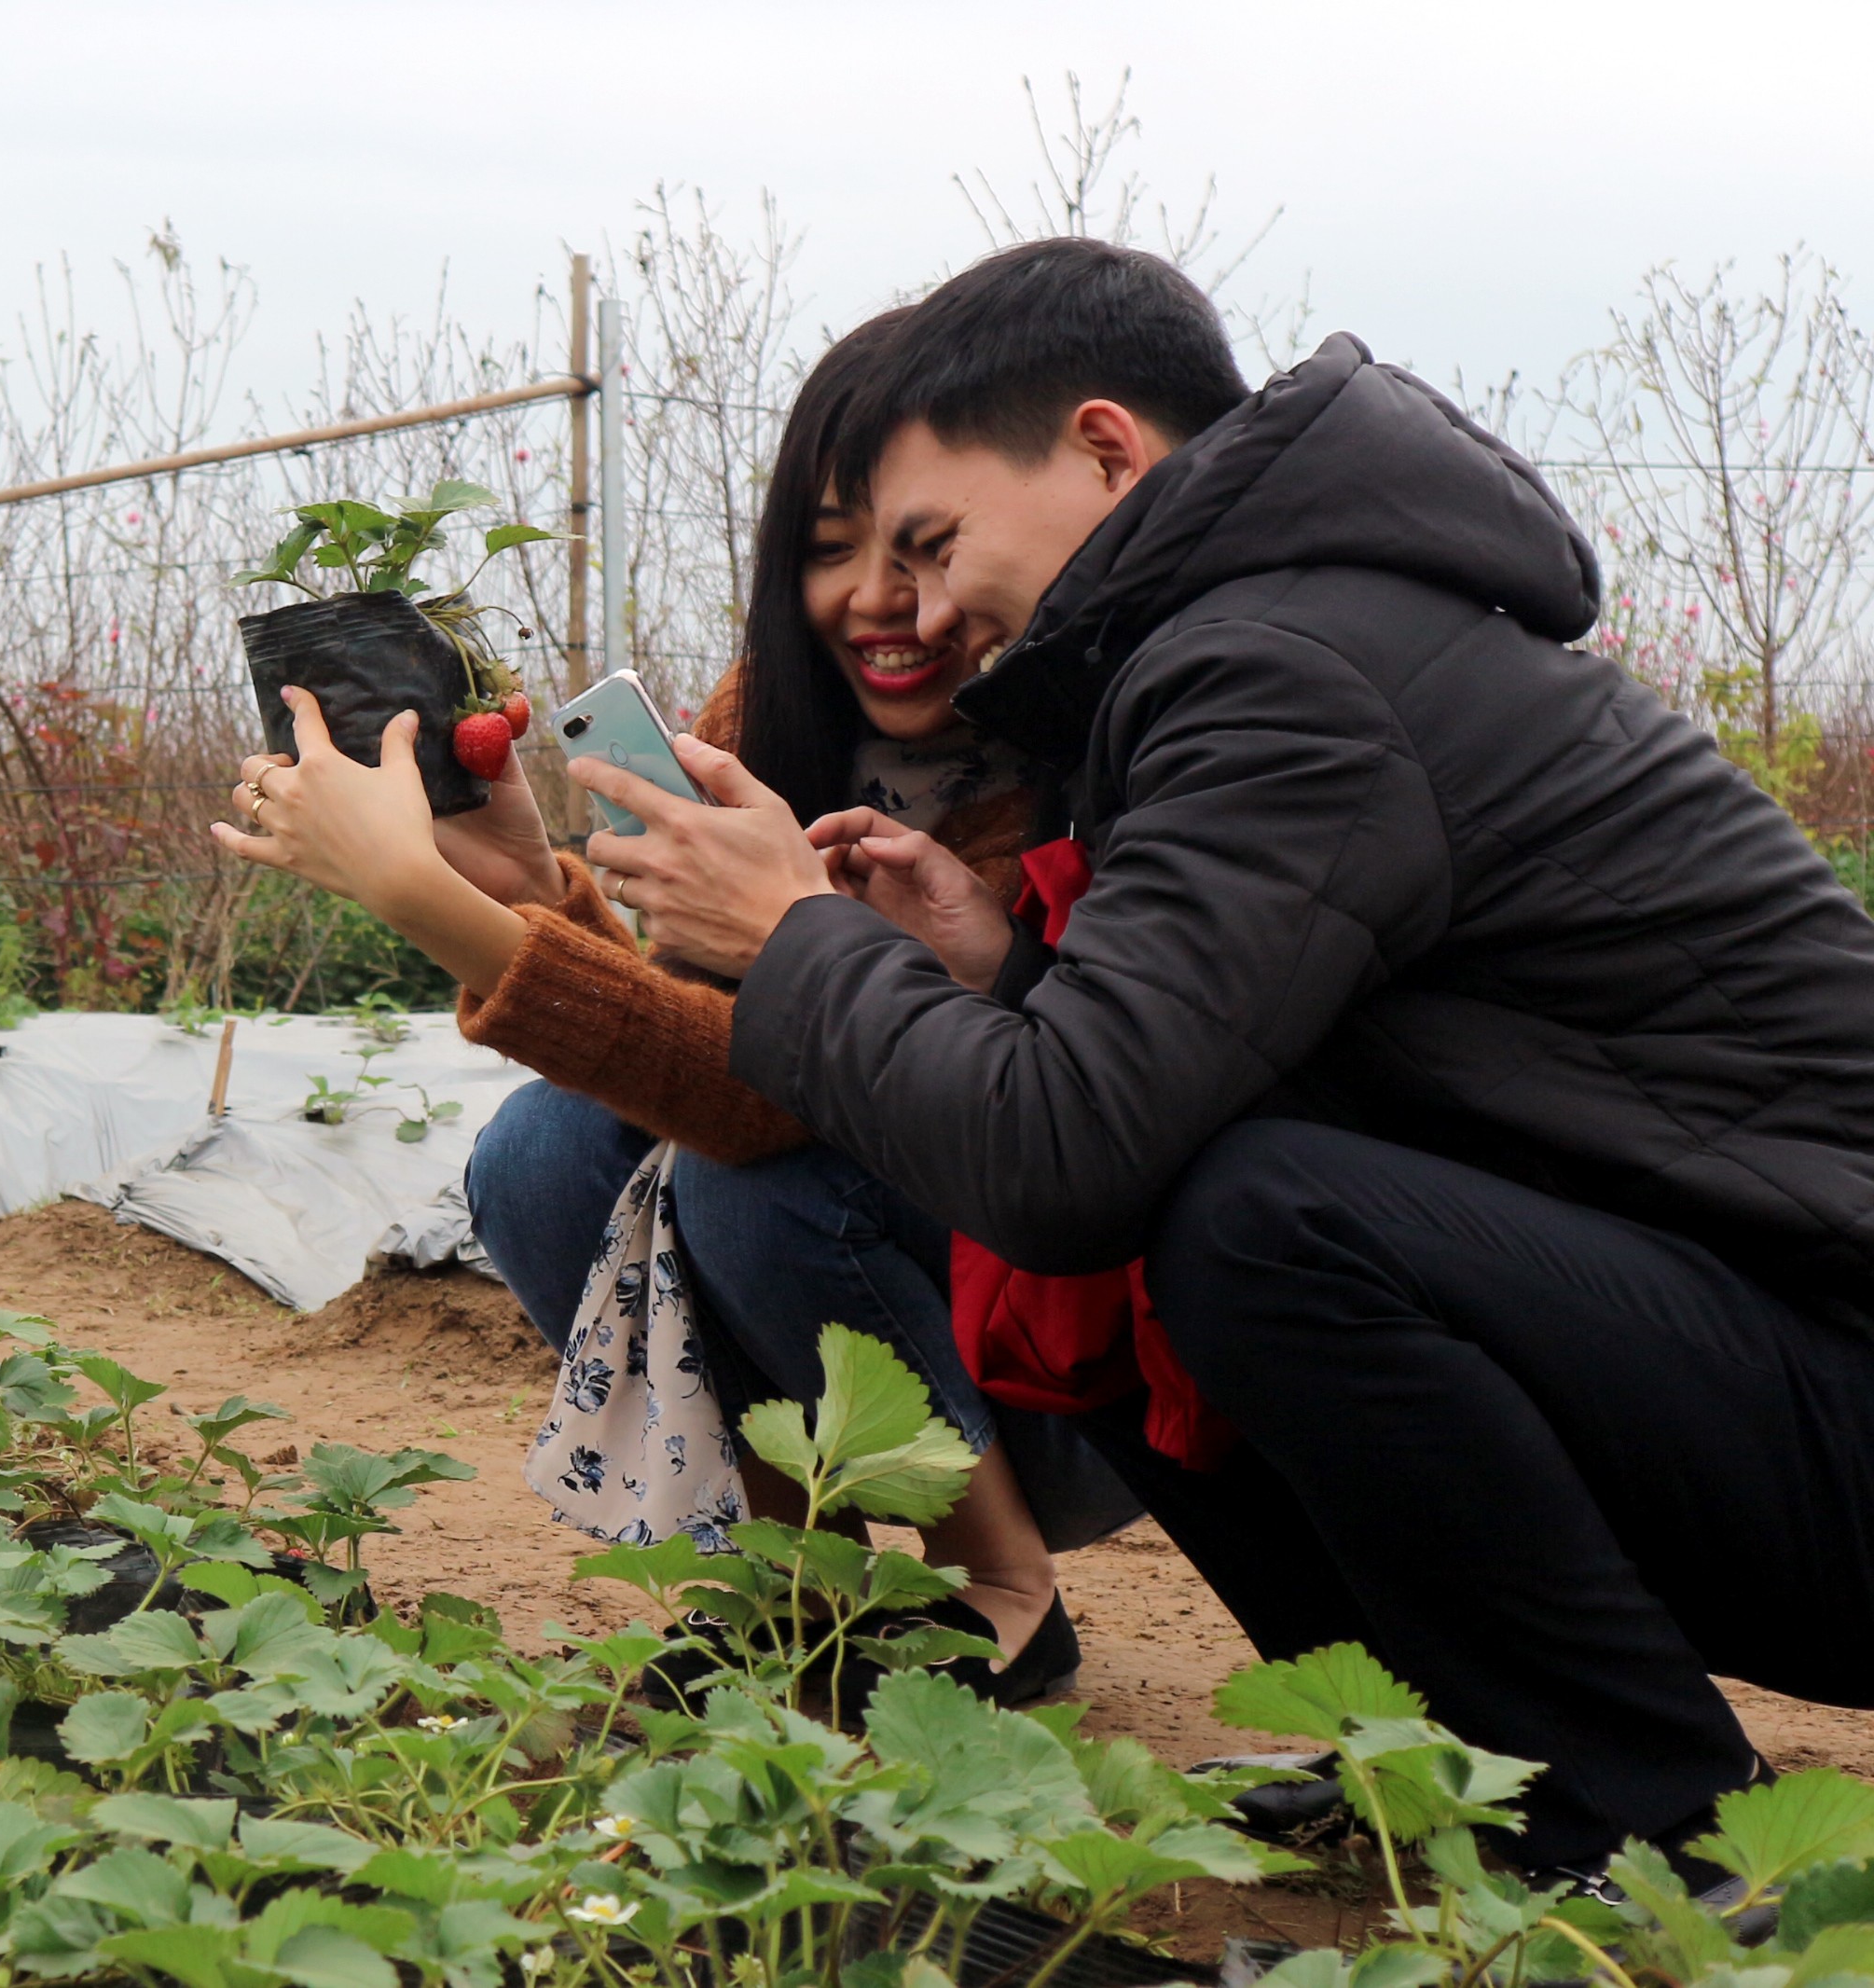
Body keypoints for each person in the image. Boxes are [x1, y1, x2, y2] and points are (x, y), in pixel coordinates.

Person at [569, 238, 1874, 1884]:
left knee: (1248, 1222)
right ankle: (1442, 1758)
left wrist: (792, 937)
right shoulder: (1262, 640)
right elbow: (1214, 1063)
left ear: (1106, 451)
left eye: (935, 539)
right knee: (1195, 1211)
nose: (915, 604)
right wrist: (996, 962)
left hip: (1830, 1405)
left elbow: (1057, 1160)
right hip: (1756, 1383)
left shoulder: (1277, 669)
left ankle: (1645, 1827)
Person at [214, 310, 1136, 1704]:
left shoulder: (1091, 748)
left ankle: (998, 1583)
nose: (886, 599)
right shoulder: (770, 716)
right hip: (854, 1307)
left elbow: (760, 1109)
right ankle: (783, 1586)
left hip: (1059, 1360)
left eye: (927, 548)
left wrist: (423, 896)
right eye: (832, 550)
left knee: (756, 1186)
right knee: (541, 1153)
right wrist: (533, 888)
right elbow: (691, 1051)